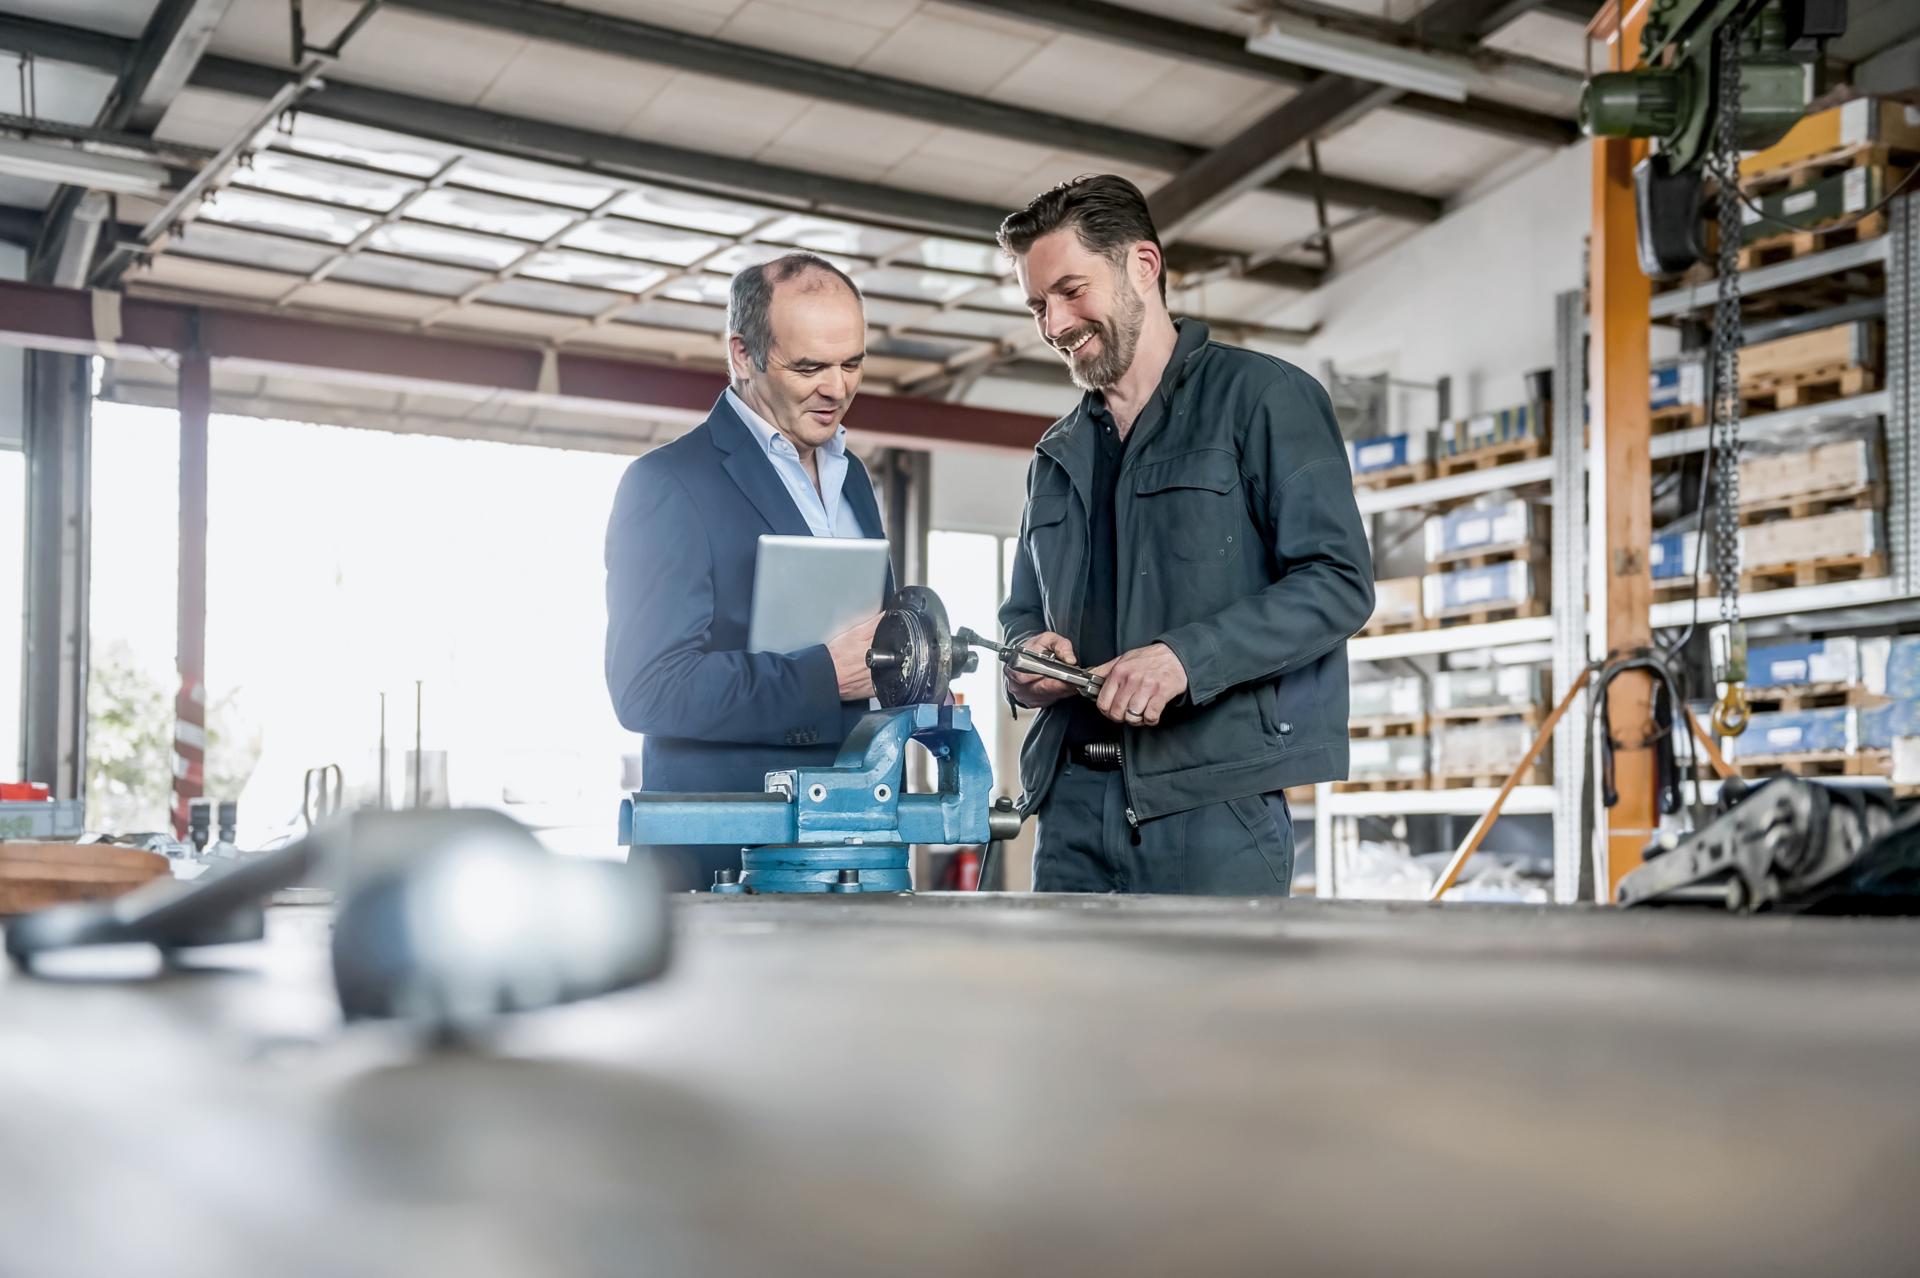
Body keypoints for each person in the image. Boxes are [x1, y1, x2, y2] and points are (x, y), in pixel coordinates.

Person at [996, 175, 1374, 895]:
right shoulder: (1057, 453)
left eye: (1072, 290)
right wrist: (1026, 658)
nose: (1055, 323)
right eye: (1038, 305)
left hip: (1211, 811)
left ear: (1143, 265)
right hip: (1069, 808)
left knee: (1212, 1011)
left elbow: (1338, 582)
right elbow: (1022, 610)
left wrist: (1185, 659)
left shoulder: (1264, 401)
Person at [605, 252, 888, 891]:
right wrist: (822, 674)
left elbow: (867, 652)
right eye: (809, 367)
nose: (837, 389)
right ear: (743, 354)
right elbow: (647, 688)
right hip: (714, 865)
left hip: (841, 855)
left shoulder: (855, 481)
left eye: (852, 364)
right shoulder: (669, 484)